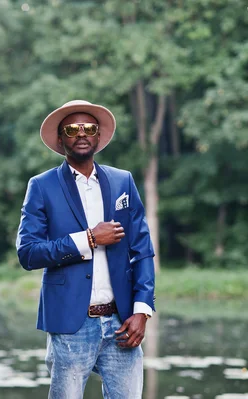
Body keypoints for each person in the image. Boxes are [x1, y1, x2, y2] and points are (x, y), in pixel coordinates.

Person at [16, 100, 156, 398]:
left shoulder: (123, 181)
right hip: (71, 324)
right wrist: (89, 239)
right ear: (60, 138)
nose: (81, 134)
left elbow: (142, 250)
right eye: (72, 129)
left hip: (123, 322)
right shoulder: (42, 186)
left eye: (89, 128)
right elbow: (28, 253)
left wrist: (142, 310)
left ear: (98, 137)